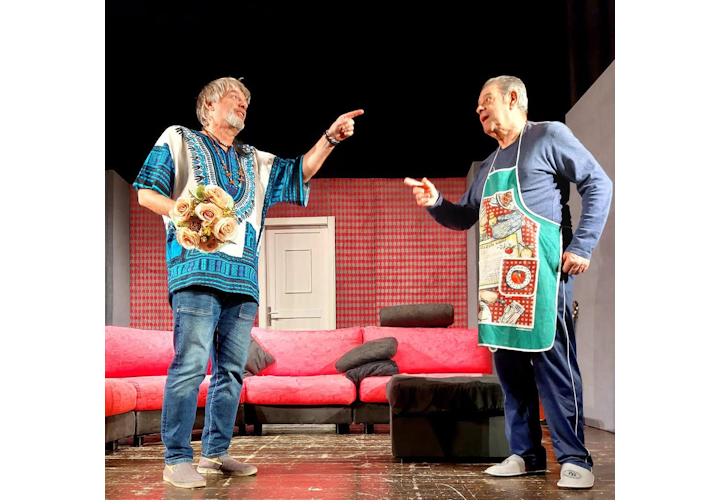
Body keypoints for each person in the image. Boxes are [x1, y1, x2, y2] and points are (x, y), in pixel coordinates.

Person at [133, 76, 363, 489]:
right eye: (234, 98)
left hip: (243, 280)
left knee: (231, 372)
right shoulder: (179, 139)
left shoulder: (253, 159)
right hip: (195, 270)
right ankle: (177, 458)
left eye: (246, 102)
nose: (242, 105)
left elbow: (300, 170)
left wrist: (330, 138)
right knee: (190, 364)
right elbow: (146, 193)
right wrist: (184, 211)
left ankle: (215, 453)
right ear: (208, 105)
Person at [404, 75, 611, 489]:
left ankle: (575, 459)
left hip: (542, 275)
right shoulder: (487, 165)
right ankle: (526, 454)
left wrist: (583, 244)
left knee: (555, 367)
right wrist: (437, 203)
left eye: (486, 100)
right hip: (498, 284)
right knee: (510, 373)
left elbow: (597, 182)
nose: (478, 108)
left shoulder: (548, 136)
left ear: (513, 98)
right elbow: (465, 217)